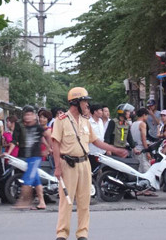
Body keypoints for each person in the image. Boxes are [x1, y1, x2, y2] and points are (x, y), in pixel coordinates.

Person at [52, 87, 128, 240]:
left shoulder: (86, 122)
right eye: (84, 101)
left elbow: (96, 142)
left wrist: (115, 149)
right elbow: (55, 143)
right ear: (75, 102)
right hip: (68, 164)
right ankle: (62, 234)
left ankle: (82, 233)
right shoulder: (61, 121)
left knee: (84, 200)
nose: (87, 105)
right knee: (66, 201)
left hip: (84, 164)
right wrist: (58, 167)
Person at [4, 106, 48, 210]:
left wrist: (48, 148)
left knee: (28, 179)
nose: (27, 117)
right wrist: (8, 153)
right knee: (35, 179)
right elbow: (14, 140)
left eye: (30, 114)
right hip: (23, 154)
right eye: (26, 114)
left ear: (33, 116)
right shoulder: (20, 125)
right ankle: (41, 202)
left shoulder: (36, 126)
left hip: (34, 156)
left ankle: (24, 201)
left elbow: (43, 136)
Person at [88, 104, 106, 170]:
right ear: (95, 112)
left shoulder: (101, 121)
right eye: (100, 110)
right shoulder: (89, 123)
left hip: (102, 152)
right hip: (93, 152)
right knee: (94, 171)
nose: (102, 112)